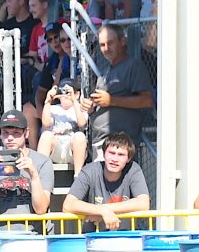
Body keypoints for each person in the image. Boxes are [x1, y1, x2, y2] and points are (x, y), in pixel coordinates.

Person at [86, 24, 154, 152]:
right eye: (102, 45)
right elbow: (101, 104)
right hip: (99, 142)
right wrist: (90, 107)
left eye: (110, 43)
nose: (106, 49)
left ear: (123, 41)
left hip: (119, 145)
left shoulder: (133, 66)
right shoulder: (105, 72)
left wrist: (111, 100)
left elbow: (147, 100)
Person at [61, 133, 152, 230]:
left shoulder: (133, 170)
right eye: (111, 153)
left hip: (125, 238)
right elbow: (68, 205)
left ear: (128, 159)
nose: (115, 159)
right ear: (104, 154)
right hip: (93, 237)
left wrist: (105, 210)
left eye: (121, 155)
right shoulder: (90, 170)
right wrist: (101, 211)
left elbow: (143, 203)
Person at [0, 115, 54, 216]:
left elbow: (41, 209)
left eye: (16, 133)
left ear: (26, 133)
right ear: (0, 135)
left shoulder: (43, 162)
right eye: (5, 133)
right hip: (1, 230)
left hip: (34, 230)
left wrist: (34, 175)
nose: (10, 138)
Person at [38, 81, 90, 174]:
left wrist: (74, 100)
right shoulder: (54, 109)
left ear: (77, 94)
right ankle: (41, 175)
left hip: (73, 150)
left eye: (68, 92)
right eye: (62, 92)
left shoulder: (80, 109)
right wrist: (48, 102)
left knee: (79, 136)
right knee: (46, 135)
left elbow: (82, 123)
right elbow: (46, 123)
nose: (64, 96)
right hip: (56, 149)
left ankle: (78, 176)